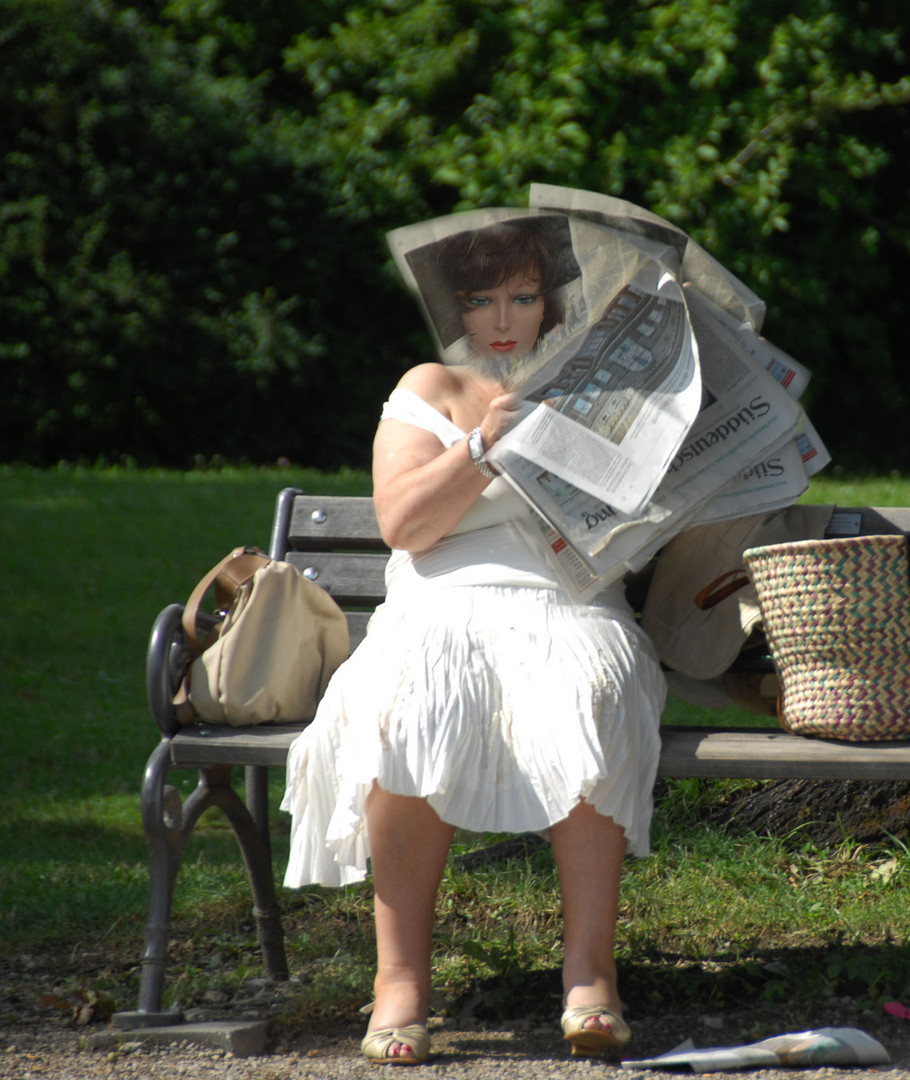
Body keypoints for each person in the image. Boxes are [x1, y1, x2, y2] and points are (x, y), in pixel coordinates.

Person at [281, 217, 665, 1065]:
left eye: (524, 297)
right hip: (441, 605)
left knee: (589, 695)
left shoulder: (599, 388)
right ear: (454, 307)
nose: (503, 318)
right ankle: (401, 983)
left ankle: (590, 976)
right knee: (409, 704)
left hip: (568, 605)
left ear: (551, 301)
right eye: (483, 299)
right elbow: (403, 523)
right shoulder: (432, 385)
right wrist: (486, 445)